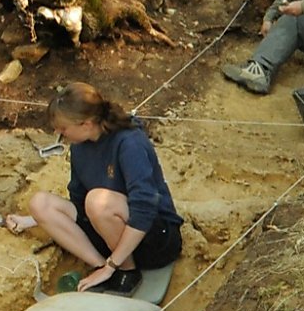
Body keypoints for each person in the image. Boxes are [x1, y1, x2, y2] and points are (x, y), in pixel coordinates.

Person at [11, 83, 183, 295]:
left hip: (153, 239)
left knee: (97, 201)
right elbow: (78, 202)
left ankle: (126, 272)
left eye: (63, 128)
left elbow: (145, 207)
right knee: (40, 203)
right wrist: (33, 220)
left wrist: (115, 263)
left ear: (86, 124)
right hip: (108, 235)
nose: (59, 133)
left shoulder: (129, 142)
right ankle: (101, 267)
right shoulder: (79, 147)